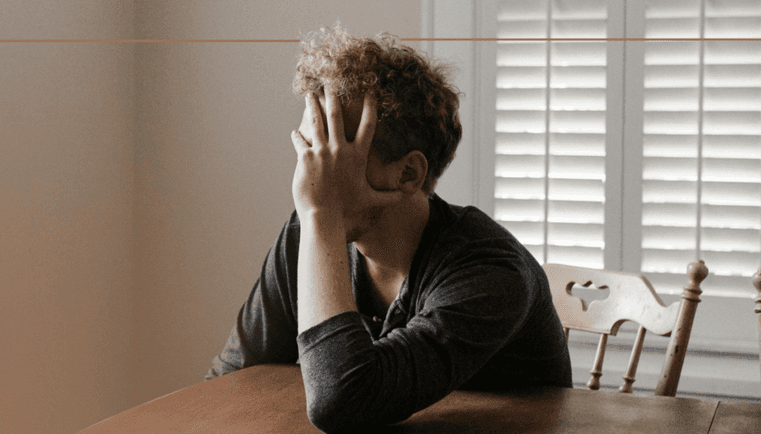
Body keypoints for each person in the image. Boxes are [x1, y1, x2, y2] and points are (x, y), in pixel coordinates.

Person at [205, 23, 572, 432]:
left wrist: (322, 216)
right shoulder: (308, 232)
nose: (309, 177)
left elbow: (342, 402)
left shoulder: (492, 273)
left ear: (408, 173)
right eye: (309, 150)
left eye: (332, 153)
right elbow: (229, 384)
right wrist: (317, 221)